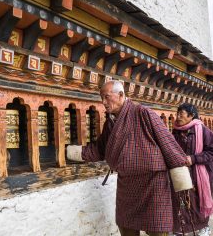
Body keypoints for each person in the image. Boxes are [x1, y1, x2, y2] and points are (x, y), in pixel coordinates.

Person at [67, 80, 189, 236]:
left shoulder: (143, 113)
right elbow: (99, 149)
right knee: (126, 226)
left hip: (153, 183)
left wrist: (182, 183)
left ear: (120, 95)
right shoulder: (110, 123)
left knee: (157, 229)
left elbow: (168, 143)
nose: (103, 102)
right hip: (127, 184)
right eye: (101, 98)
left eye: (106, 97)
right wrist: (71, 152)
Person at [172, 103, 213, 236]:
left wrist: (194, 159)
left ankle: (202, 228)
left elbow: (211, 152)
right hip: (180, 174)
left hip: (199, 175)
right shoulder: (176, 131)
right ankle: (181, 230)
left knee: (197, 202)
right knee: (181, 201)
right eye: (177, 114)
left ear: (191, 115)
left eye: (181, 114)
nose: (177, 117)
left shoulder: (202, 130)